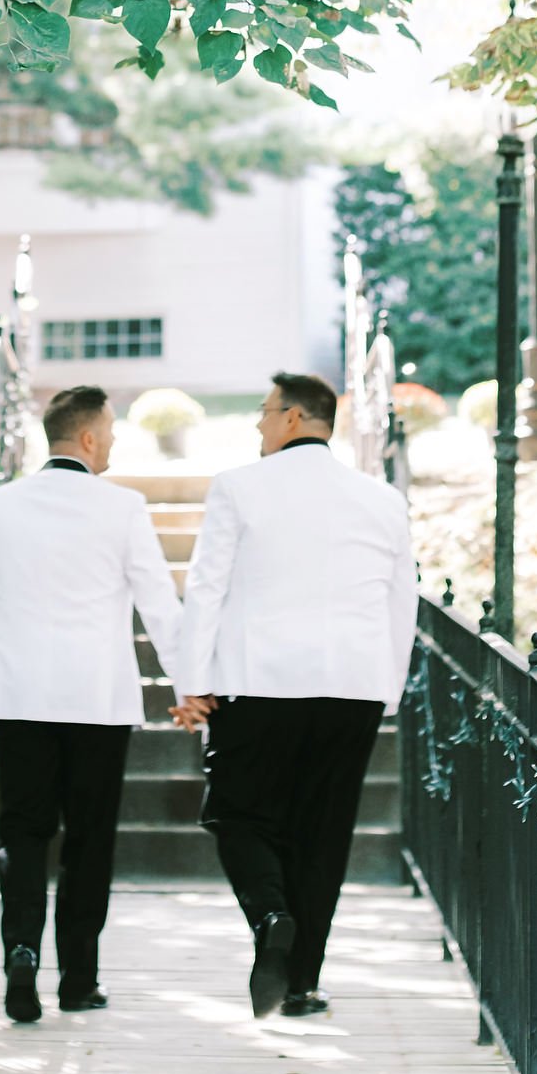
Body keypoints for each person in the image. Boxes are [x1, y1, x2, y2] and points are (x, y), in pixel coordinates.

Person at [174, 371, 416, 1020]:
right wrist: (384, 690)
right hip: (354, 688)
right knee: (324, 833)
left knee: (236, 815)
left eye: (263, 411)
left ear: (292, 418)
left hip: (260, 682)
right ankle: (301, 984)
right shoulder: (383, 499)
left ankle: (271, 915)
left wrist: (192, 683)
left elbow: (206, 589)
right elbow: (402, 603)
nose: (257, 423)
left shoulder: (237, 488)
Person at [0, 384, 183, 1025]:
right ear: (86, 437)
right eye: (109, 430)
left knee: (22, 834)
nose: (113, 440)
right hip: (98, 703)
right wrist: (189, 683)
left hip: (21, 699)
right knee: (90, 840)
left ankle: (21, 953)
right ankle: (79, 981)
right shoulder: (123, 508)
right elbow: (158, 604)